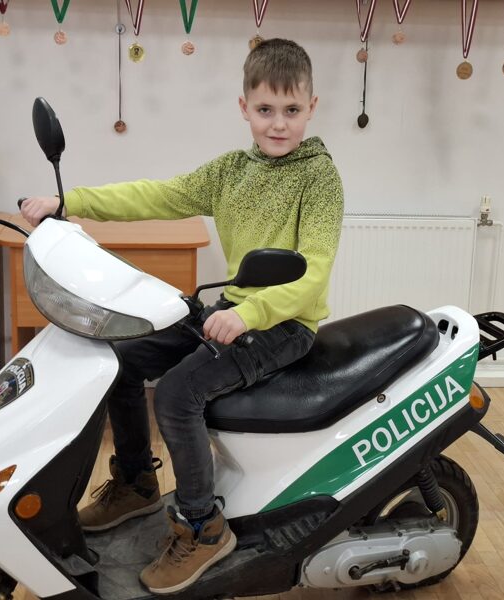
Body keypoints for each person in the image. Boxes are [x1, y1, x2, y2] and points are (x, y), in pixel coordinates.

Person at [20, 38, 344, 594]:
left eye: (292, 110)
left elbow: (312, 272)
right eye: (266, 109)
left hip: (283, 325)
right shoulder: (232, 171)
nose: (278, 123)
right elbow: (158, 195)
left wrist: (252, 313)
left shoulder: (319, 178)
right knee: (119, 361)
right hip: (236, 311)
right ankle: (137, 483)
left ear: (312, 107)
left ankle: (202, 526)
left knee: (176, 393)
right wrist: (68, 203)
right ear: (244, 107)